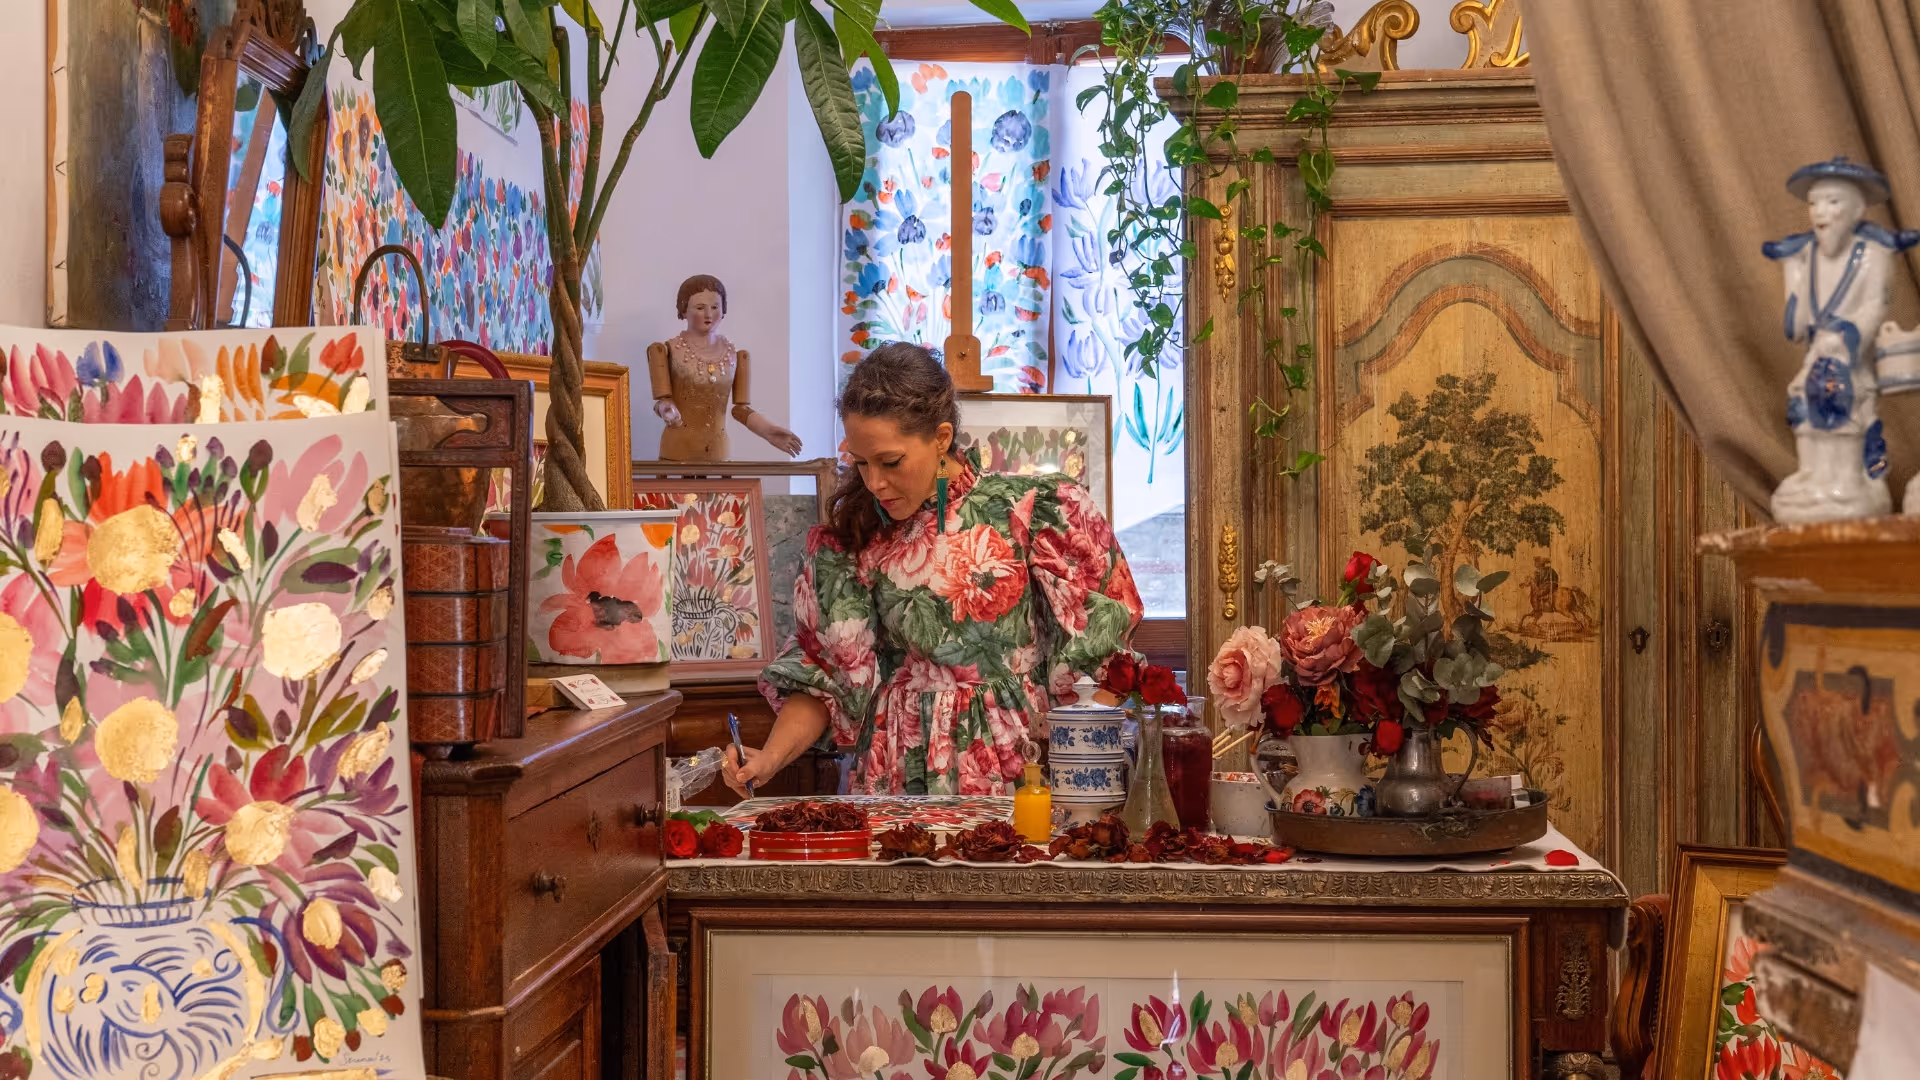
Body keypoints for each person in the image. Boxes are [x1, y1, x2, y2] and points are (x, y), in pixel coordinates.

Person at [723, 343, 1144, 796]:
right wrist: (767, 759)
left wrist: (1075, 767)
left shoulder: (1036, 510)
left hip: (1017, 774)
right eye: (861, 463)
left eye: (890, 461)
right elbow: (826, 674)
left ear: (941, 438)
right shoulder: (853, 538)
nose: (874, 482)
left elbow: (1106, 663)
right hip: (895, 776)